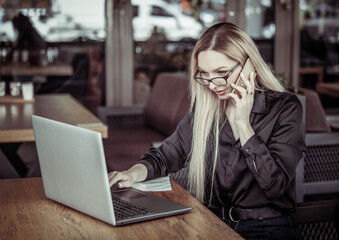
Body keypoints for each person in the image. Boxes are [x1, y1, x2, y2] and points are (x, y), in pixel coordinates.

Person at [109, 22, 305, 240]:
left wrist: (243, 125)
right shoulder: (206, 110)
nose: (212, 84)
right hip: (212, 222)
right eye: (204, 73)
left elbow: (275, 186)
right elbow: (165, 155)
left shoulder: (285, 108)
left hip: (266, 227)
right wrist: (131, 173)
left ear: (249, 65)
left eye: (221, 72)